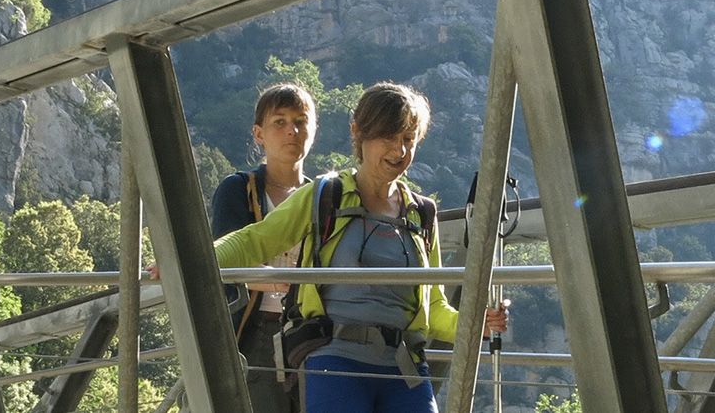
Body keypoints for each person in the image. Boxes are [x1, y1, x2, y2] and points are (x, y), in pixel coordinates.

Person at [214, 82, 510, 412]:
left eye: (408, 139)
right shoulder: (325, 195)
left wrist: (475, 323)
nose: (399, 151)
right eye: (389, 136)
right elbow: (254, 239)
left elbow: (434, 306)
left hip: (405, 369)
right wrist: (188, 261)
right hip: (335, 361)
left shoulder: (421, 213)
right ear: (359, 132)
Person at [209, 83, 317, 413]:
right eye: (279, 122)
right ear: (259, 134)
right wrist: (279, 280)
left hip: (308, 332)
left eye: (301, 121)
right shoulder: (239, 189)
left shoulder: (322, 197)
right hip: (254, 330)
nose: (292, 131)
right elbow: (223, 263)